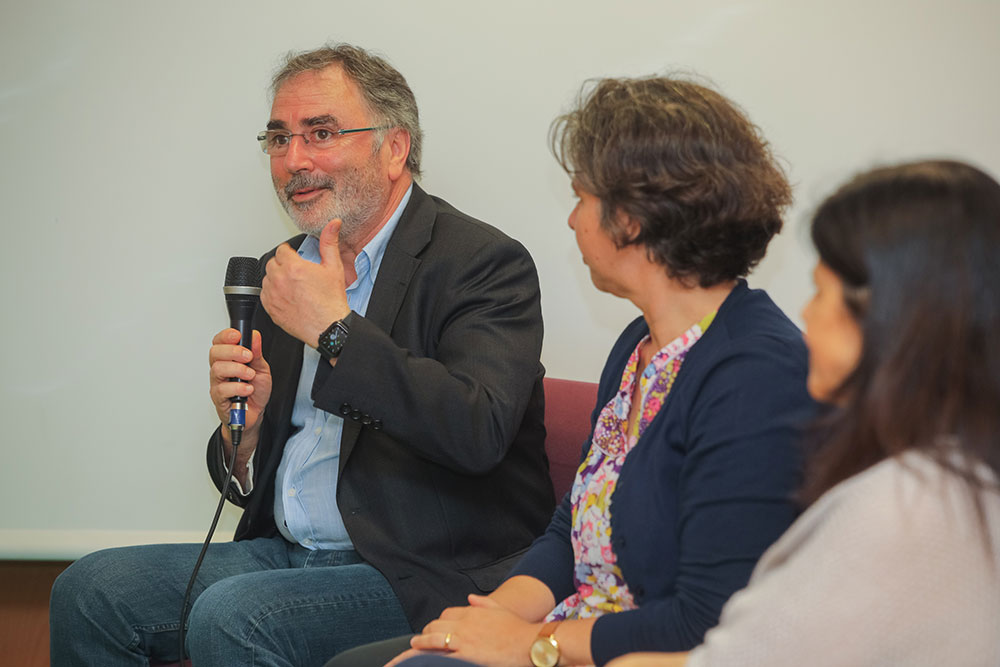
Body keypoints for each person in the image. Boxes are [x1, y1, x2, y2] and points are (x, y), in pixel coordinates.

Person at [49, 43, 555, 666]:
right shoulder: (283, 270)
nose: (294, 160)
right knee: (90, 591)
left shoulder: (481, 262)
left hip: (422, 570)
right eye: (279, 138)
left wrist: (336, 331)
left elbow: (477, 430)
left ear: (395, 148)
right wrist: (243, 434)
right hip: (284, 555)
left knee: (234, 617)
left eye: (321, 133)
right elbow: (263, 471)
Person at [334, 75, 817, 667]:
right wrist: (487, 618)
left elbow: (706, 621)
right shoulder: (639, 343)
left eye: (581, 198)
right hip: (575, 626)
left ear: (633, 218)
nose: (571, 220)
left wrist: (531, 643)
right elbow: (571, 531)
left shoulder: (758, 373)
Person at [606, 160, 1000, 667]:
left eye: (820, 292)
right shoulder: (961, 474)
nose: (806, 314)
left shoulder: (900, 509)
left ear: (887, 317)